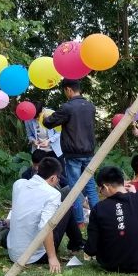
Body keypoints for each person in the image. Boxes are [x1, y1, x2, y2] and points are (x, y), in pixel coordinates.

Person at [86, 166, 138, 274]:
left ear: (106, 187)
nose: (101, 193)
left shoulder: (98, 208)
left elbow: (91, 249)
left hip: (109, 264)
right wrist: (135, 195)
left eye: (100, 189)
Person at [8, 157, 82, 273]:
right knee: (66, 207)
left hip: (13, 252)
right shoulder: (52, 194)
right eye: (58, 178)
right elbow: (45, 227)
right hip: (34, 256)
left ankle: (77, 242)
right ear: (53, 178)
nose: (58, 181)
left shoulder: (18, 184)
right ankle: (77, 244)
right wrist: (52, 257)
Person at [43, 78, 98, 227]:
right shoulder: (90, 106)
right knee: (91, 186)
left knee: (75, 189)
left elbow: (48, 123)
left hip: (73, 154)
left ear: (68, 90)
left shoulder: (67, 108)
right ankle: (98, 218)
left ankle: (80, 221)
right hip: (89, 153)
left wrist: (45, 116)